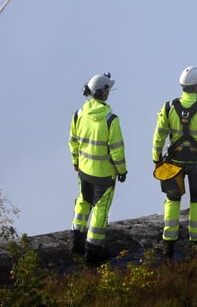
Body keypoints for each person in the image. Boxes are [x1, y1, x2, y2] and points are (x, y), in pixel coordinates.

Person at [152, 66, 197, 256]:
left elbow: (159, 137)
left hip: (174, 162)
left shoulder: (168, 108)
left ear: (182, 86)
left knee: (172, 199)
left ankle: (168, 241)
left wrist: (156, 158)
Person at [69, 72, 128, 264]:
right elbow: (117, 150)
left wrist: (76, 162)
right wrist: (122, 170)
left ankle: (76, 242)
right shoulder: (111, 120)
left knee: (83, 202)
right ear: (103, 93)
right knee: (100, 210)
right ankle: (93, 252)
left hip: (84, 170)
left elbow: (73, 142)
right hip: (104, 174)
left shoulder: (79, 114)